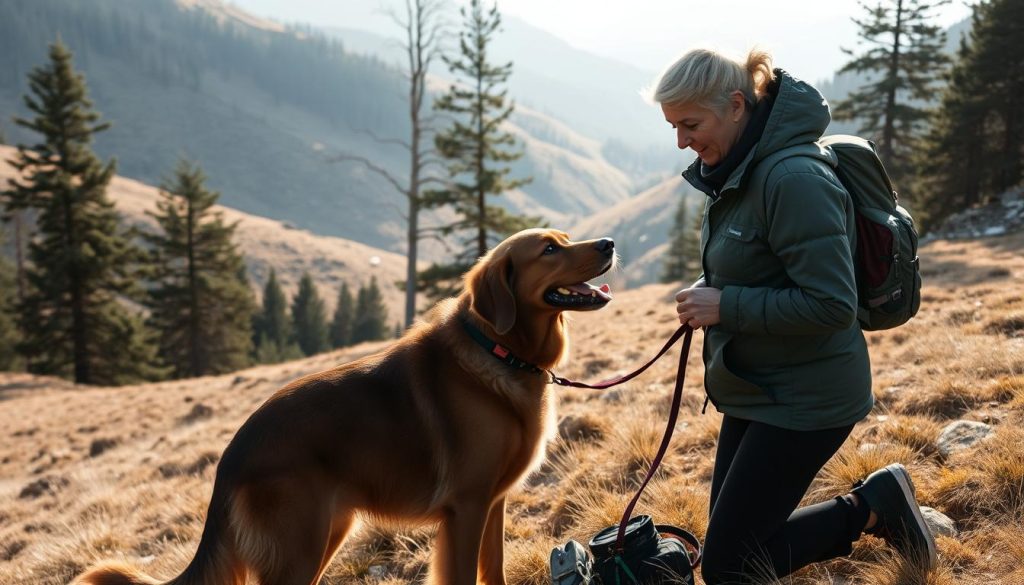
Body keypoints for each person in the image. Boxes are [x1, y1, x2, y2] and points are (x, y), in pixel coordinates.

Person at [648, 48, 938, 583]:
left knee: (730, 566)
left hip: (809, 397)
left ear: (736, 104)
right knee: (735, 548)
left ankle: (874, 507)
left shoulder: (792, 179)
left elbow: (831, 304)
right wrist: (716, 290)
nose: (682, 142)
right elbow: (767, 263)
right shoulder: (740, 166)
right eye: (673, 127)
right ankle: (877, 500)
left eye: (690, 124)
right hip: (761, 386)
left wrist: (724, 305)